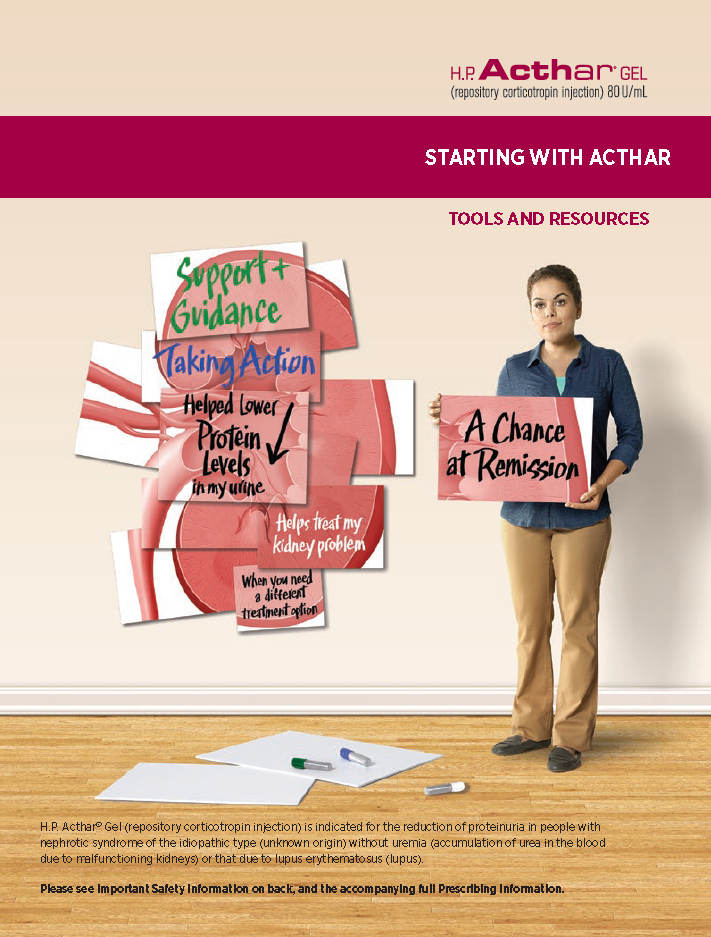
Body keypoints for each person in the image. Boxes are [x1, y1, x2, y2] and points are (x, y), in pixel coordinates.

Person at [429, 264, 642, 772]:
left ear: (578, 306)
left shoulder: (607, 364)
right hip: (521, 517)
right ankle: (530, 727)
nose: (550, 313)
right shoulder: (513, 368)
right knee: (530, 624)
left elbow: (632, 436)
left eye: (560, 301)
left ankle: (570, 736)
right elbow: (499, 440)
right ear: (531, 313)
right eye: (540, 304)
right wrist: (453, 418)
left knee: (579, 625)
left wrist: (602, 482)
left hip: (584, 518)